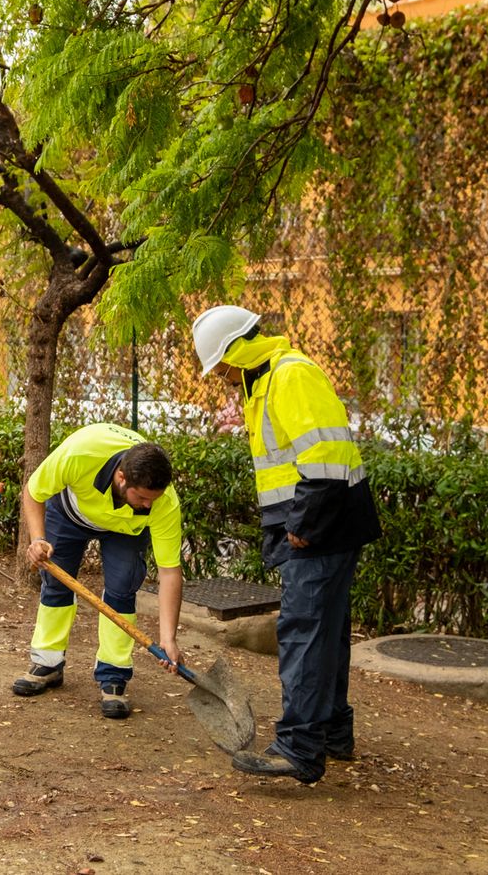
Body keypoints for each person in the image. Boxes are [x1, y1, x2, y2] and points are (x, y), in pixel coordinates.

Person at [190, 305, 381, 784]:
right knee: (327, 632)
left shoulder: (289, 375)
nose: (222, 378)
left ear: (238, 349)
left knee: (303, 632)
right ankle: (332, 732)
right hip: (319, 520)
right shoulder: (265, 380)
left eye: (221, 367)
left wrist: (303, 522)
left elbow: (327, 454)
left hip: (320, 522)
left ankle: (298, 748)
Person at [15, 423, 184, 719]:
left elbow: (170, 572)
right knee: (56, 584)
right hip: (70, 513)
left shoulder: (163, 503)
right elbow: (33, 491)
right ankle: (48, 663)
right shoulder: (80, 453)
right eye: (142, 498)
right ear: (122, 478)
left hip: (125, 530)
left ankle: (114, 676)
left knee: (122, 588)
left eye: (153, 499)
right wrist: (38, 539)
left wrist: (168, 637)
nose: (149, 505)